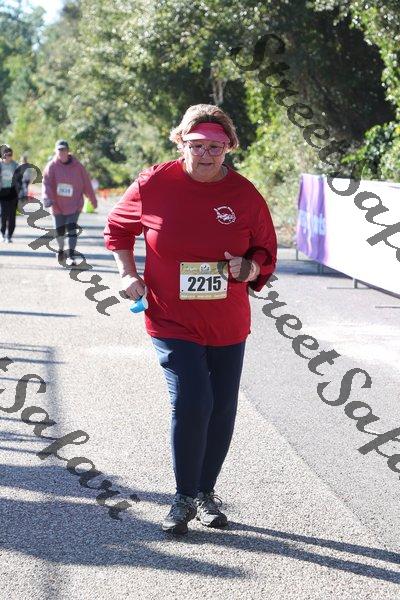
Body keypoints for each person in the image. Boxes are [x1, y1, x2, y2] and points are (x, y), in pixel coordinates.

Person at [104, 104, 277, 535]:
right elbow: (118, 229)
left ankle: (205, 493)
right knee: (193, 400)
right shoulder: (154, 183)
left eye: (215, 147)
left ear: (229, 147)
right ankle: (182, 497)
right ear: (181, 142)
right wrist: (127, 273)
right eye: (197, 145)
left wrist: (250, 268)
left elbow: (264, 250)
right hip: (171, 318)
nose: (205, 155)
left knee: (222, 407)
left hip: (227, 321)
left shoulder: (244, 194)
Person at [42, 140, 98, 267]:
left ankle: (71, 256)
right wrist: (47, 198)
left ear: (68, 151)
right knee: (59, 233)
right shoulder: (51, 166)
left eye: (64, 150)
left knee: (72, 231)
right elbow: (46, 184)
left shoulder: (78, 167)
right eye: (59, 150)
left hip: (74, 205)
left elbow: (87, 183)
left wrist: (92, 199)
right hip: (57, 205)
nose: (62, 152)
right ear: (55, 151)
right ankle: (61, 249)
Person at [0, 145, 19, 243]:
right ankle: (2, 233)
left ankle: (9, 235)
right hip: (2, 191)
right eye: (6, 155)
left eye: (10, 155)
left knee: (12, 215)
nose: (8, 157)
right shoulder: (0, 165)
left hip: (13, 192)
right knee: (3, 214)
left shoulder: (15, 165)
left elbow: (20, 179)